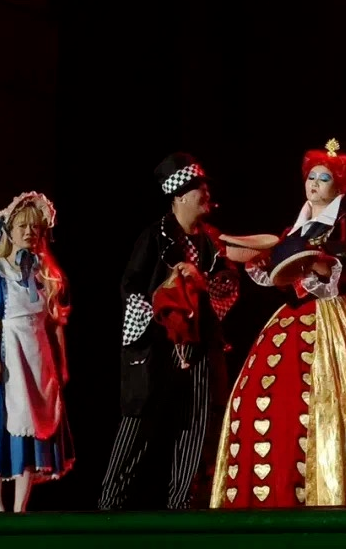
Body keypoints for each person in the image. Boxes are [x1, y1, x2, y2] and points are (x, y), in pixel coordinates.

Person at [211, 138, 346, 508]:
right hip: (292, 319)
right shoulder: (292, 231)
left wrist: (315, 261)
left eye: (323, 178)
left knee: (338, 404)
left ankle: (332, 491)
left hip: (335, 318)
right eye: (311, 177)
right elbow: (280, 276)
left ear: (339, 187)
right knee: (268, 402)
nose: (314, 184)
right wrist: (262, 260)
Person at [98, 152, 240, 510]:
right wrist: (166, 302)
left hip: (199, 346)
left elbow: (228, 285)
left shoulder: (212, 241)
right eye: (197, 189)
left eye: (205, 188)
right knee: (139, 422)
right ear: (178, 196)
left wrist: (202, 285)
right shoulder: (155, 236)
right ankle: (110, 506)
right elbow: (131, 287)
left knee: (195, 424)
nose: (205, 194)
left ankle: (184, 505)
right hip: (158, 345)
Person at [0, 191, 75, 512]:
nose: (29, 232)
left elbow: (55, 324)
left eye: (35, 227)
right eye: (22, 226)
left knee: (33, 428)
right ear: (9, 231)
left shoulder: (45, 274)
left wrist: (61, 363)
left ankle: (20, 508)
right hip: (9, 355)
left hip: (37, 359)